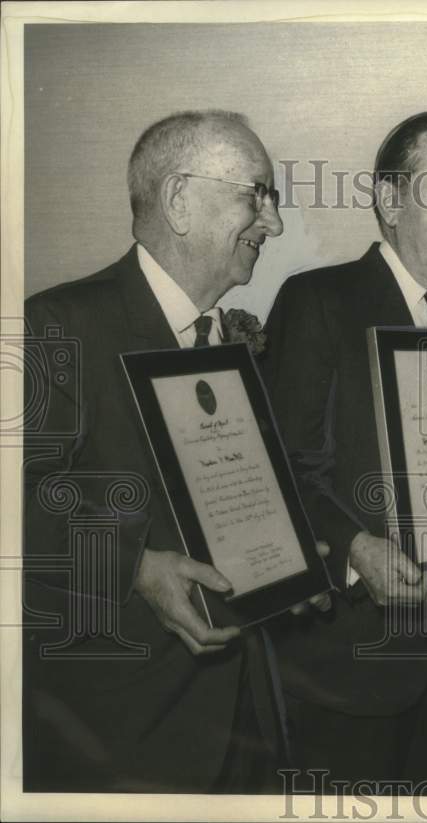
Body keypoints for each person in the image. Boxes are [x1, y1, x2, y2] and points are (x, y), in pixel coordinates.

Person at [22, 110, 287, 792]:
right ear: (178, 200)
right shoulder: (59, 323)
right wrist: (136, 563)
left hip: (248, 722)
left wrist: (288, 557)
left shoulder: (237, 341)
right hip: (120, 740)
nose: (273, 223)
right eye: (255, 194)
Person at [261, 111, 427, 788]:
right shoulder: (318, 300)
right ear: (390, 201)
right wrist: (352, 549)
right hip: (345, 663)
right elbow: (280, 472)